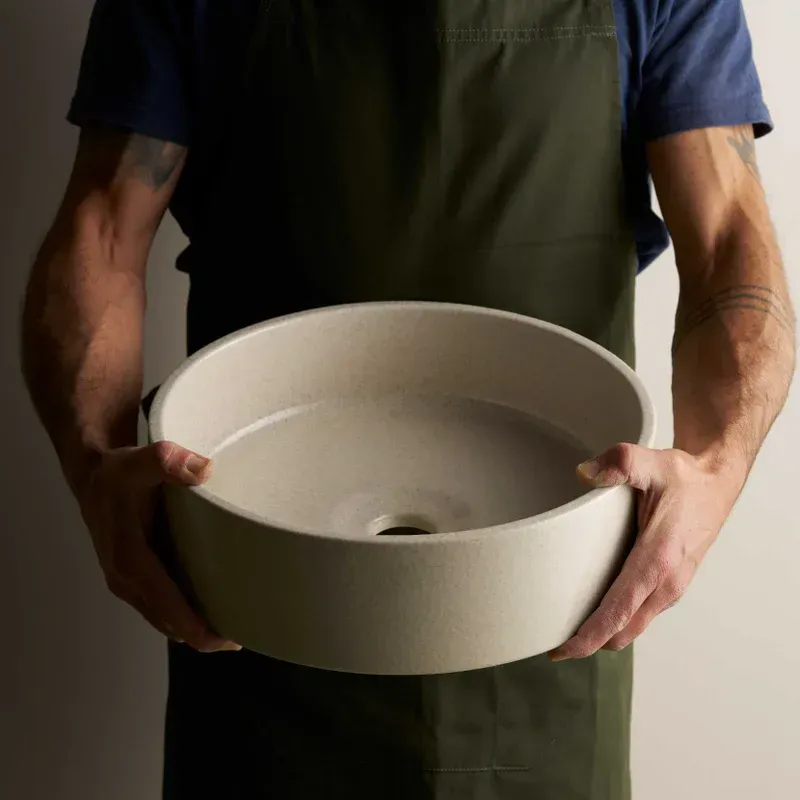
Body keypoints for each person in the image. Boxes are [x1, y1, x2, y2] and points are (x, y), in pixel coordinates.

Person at [20, 0, 795, 798]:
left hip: (551, 609)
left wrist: (715, 472)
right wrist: (94, 467)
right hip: (255, 596)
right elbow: (102, 234)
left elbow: (728, 241)